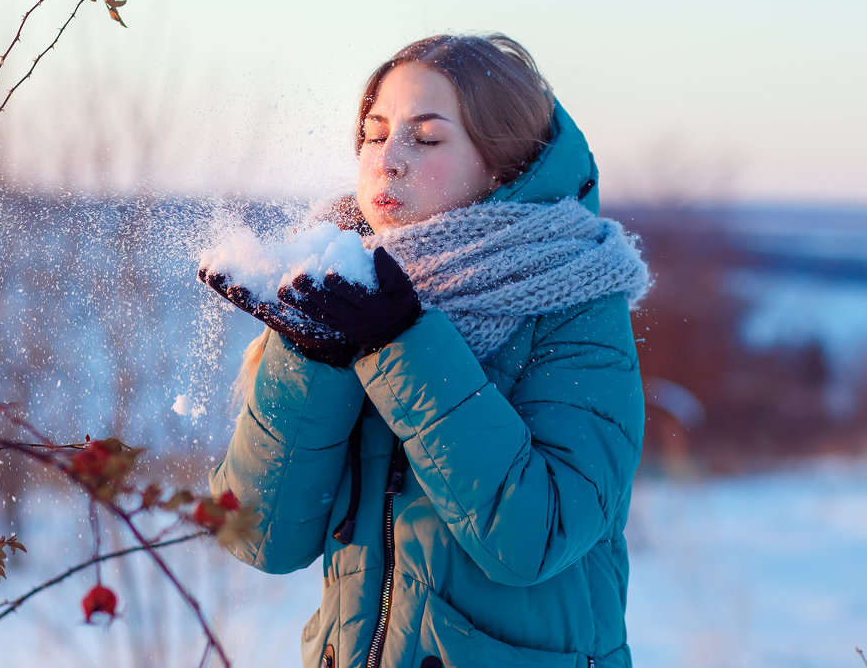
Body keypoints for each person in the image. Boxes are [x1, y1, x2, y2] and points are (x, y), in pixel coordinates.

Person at [198, 34, 650, 668]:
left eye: (427, 137)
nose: (390, 161)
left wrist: (402, 347)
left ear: (502, 164)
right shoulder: (344, 285)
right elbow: (257, 536)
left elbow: (534, 537)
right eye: (376, 134)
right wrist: (309, 361)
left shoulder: (574, 299)